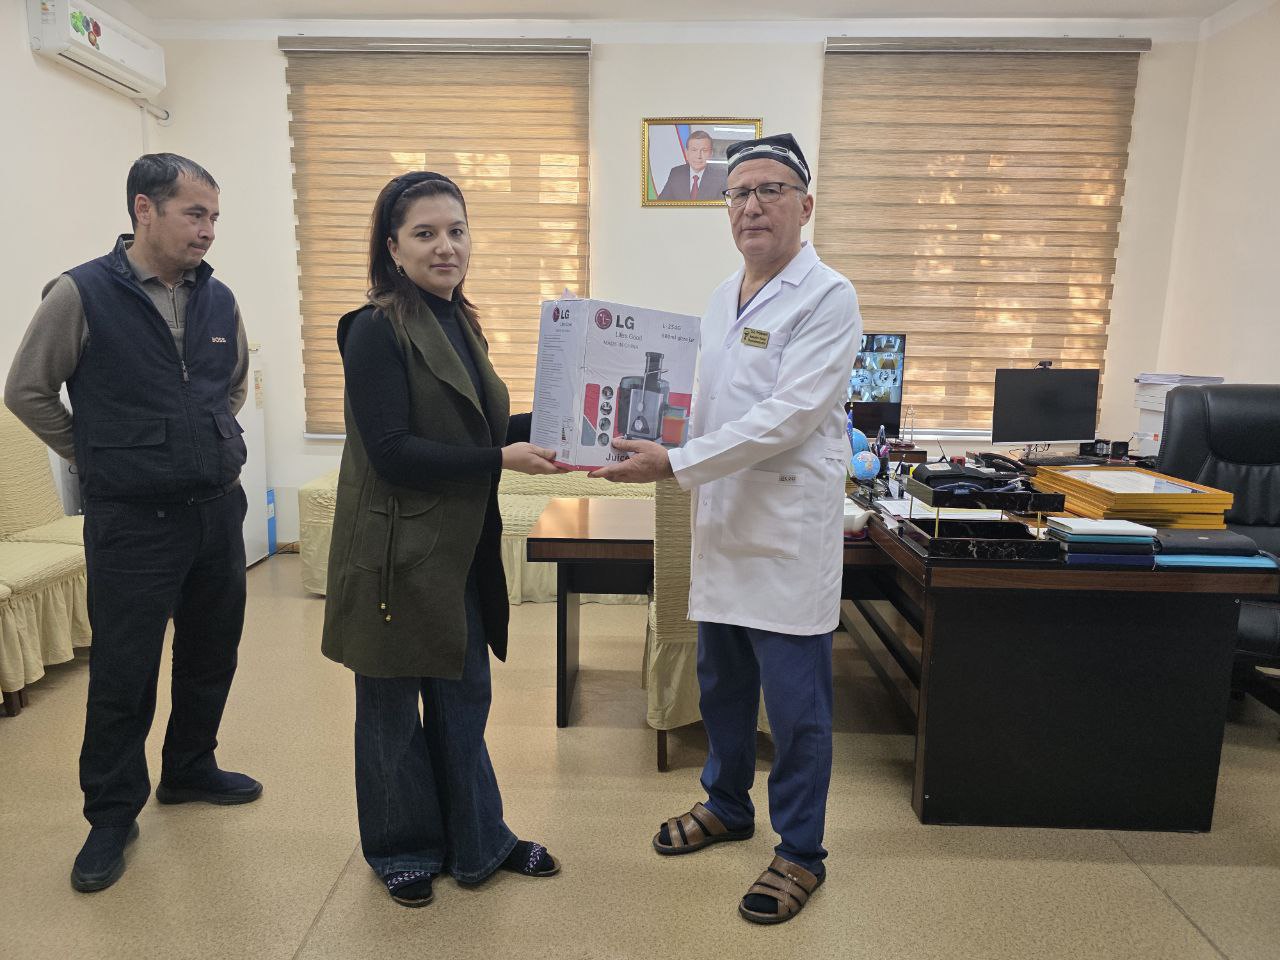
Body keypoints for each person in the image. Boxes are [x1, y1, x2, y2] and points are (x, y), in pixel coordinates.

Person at [591, 133, 861, 924]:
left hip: (785, 536)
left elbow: (789, 417)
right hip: (721, 523)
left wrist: (674, 463)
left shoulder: (828, 296)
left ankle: (801, 850)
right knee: (723, 686)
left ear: (805, 206)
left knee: (797, 708)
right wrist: (620, 430)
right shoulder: (719, 299)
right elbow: (698, 405)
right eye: (738, 193)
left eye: (770, 190)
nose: (752, 206)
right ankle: (726, 804)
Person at [4, 153, 259, 893]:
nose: (208, 230)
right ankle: (112, 815)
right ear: (144, 209)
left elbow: (231, 386)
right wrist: (96, 453)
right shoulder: (80, 293)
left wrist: (206, 443)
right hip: (132, 521)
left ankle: (190, 767)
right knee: (125, 671)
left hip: (216, 508)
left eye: (214, 217)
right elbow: (27, 391)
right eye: (194, 214)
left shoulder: (219, 298)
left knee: (212, 653)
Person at [322, 171, 564, 908]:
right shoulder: (373, 329)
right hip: (395, 556)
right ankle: (402, 848)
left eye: (456, 231)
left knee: (464, 701)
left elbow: (479, 428)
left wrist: (567, 423)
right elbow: (393, 451)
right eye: (424, 233)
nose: (445, 247)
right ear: (392, 248)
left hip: (458, 549)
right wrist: (500, 460)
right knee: (392, 712)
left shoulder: (461, 320)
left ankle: (479, 840)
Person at [657, 129, 728, 201]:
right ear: (687, 153)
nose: (698, 156)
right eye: (694, 150)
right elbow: (661, 203)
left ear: (711, 154)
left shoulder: (721, 175)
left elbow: (724, 205)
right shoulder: (676, 173)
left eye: (704, 151)